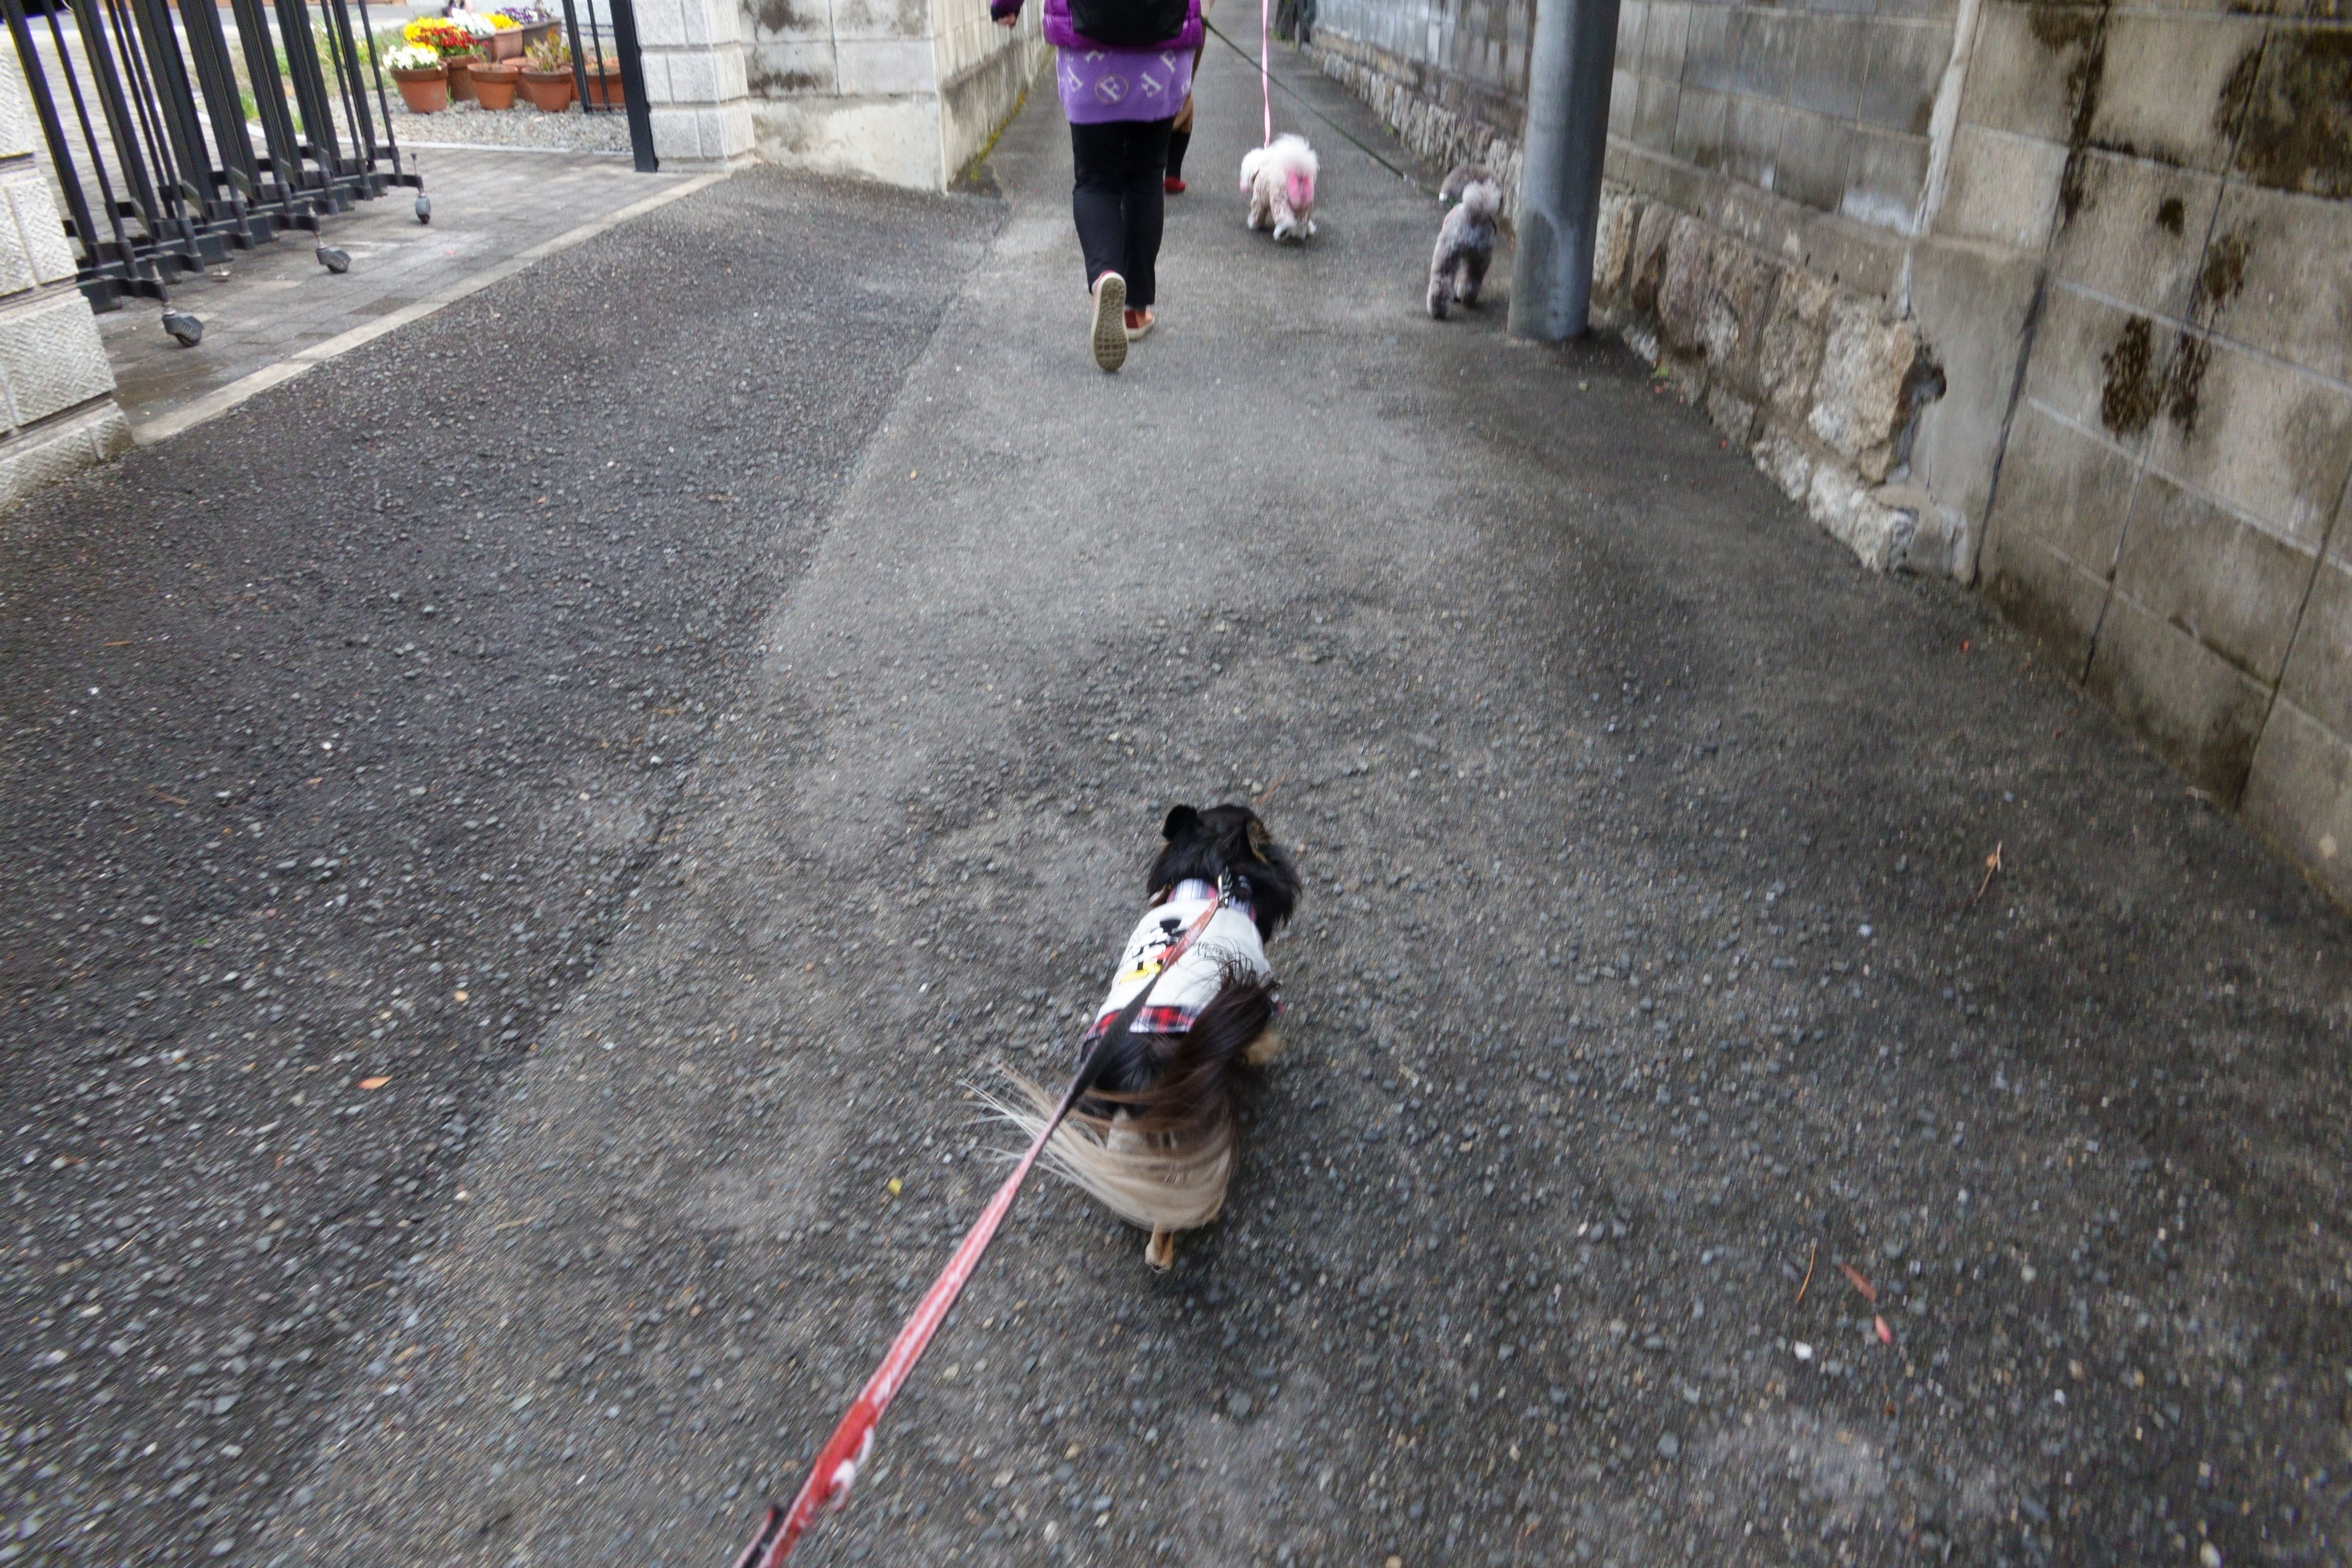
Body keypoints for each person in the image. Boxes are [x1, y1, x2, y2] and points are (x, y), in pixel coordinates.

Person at [994, 0, 1204, 371]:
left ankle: (1105, 275)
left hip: (1087, 43)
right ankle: (1134, 312)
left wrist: (1007, 5)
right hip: (1163, 42)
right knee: (1144, 177)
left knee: (1095, 179)